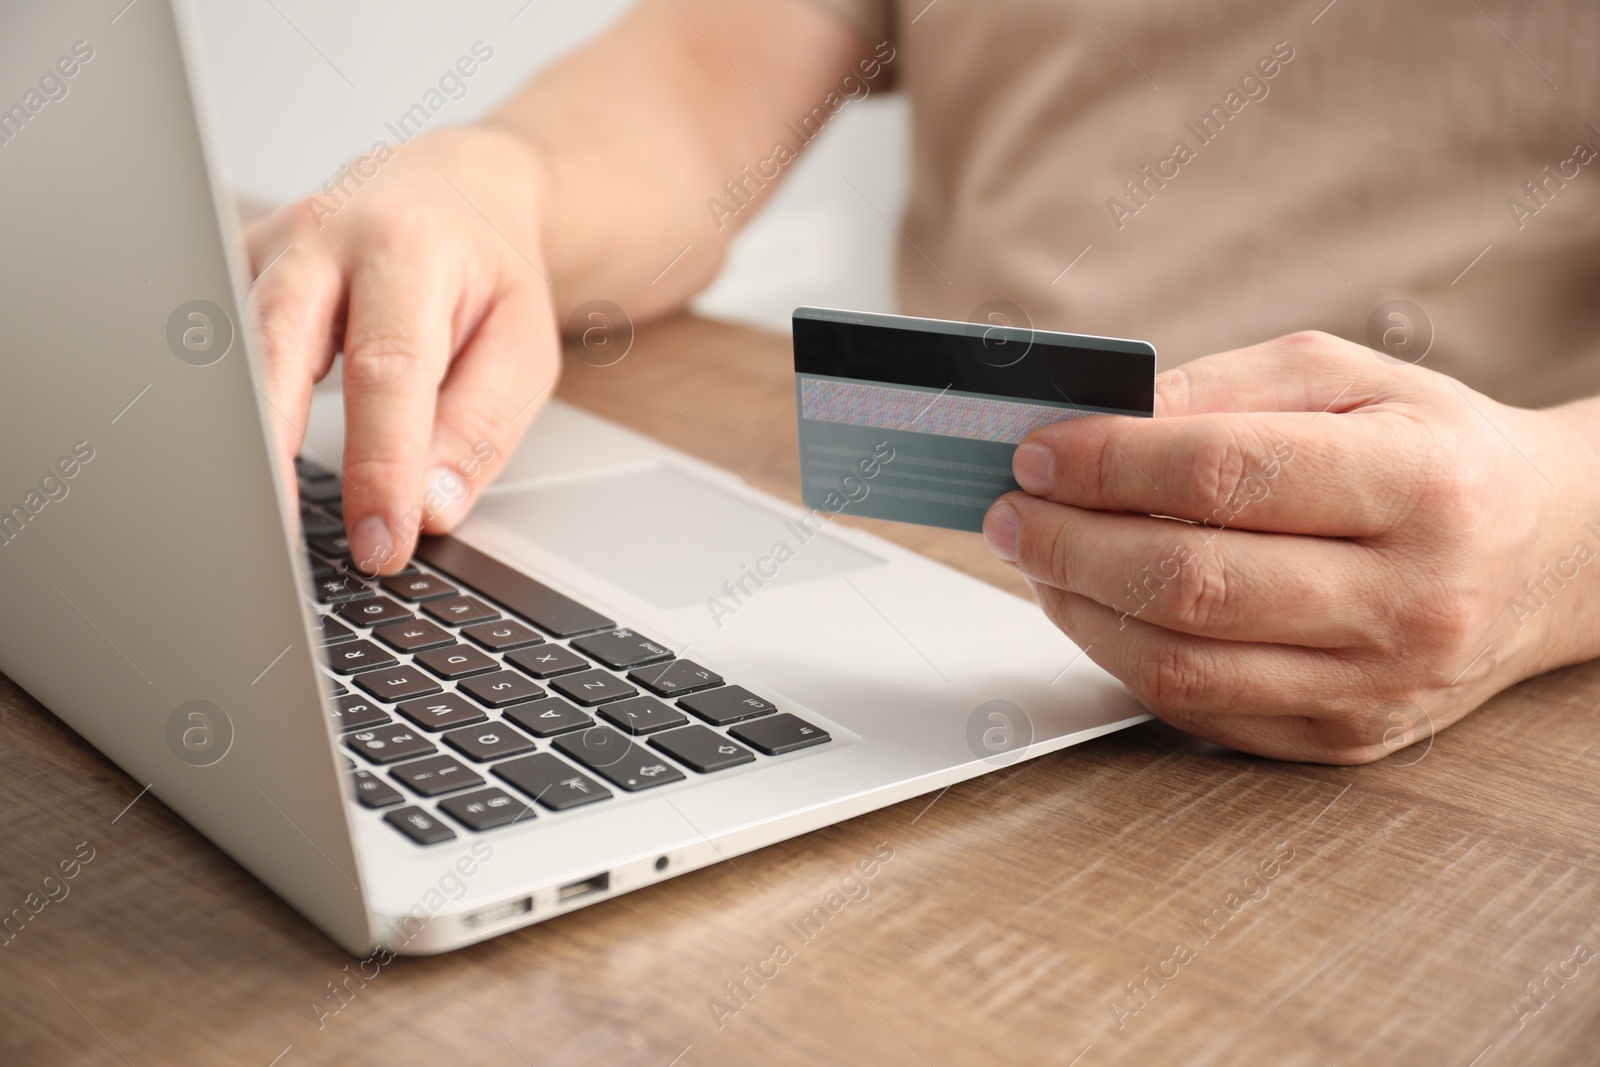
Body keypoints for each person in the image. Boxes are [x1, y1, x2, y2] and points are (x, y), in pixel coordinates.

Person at [245, 0, 1600, 764]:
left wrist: (1555, 536)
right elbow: (704, 75)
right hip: (933, 609)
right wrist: (505, 179)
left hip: (1472, 716)